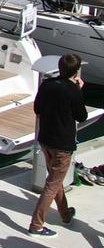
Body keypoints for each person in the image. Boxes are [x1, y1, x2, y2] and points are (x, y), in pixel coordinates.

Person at [28, 53, 88, 237]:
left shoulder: (47, 84)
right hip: (62, 145)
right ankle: (36, 226)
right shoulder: (72, 90)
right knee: (52, 184)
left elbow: (37, 108)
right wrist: (79, 91)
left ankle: (65, 214)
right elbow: (82, 116)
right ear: (75, 71)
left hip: (46, 140)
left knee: (55, 180)